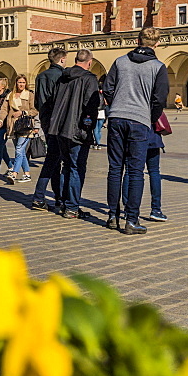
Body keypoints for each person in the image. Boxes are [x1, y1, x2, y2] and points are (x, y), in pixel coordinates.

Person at [103, 26, 169, 235]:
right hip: (139, 121)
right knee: (135, 172)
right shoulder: (158, 67)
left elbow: (107, 88)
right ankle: (131, 220)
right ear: (157, 43)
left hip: (116, 118)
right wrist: (148, 117)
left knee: (115, 169)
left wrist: (117, 105)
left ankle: (113, 216)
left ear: (138, 40)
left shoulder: (120, 61)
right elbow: (159, 99)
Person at [45, 49, 101, 217]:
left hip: (60, 128)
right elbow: (91, 106)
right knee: (77, 167)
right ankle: (72, 207)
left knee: (66, 166)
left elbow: (54, 99)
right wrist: (88, 127)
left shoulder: (63, 76)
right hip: (77, 130)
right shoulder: (89, 78)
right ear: (89, 62)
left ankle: (62, 202)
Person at [31, 48, 68, 206]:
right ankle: (39, 195)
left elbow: (37, 102)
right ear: (61, 60)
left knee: (55, 157)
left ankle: (58, 196)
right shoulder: (62, 76)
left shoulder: (40, 76)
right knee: (53, 157)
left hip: (45, 119)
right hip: (58, 121)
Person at [0, 75, 38, 183]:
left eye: (23, 82)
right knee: (20, 152)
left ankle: (14, 173)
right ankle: (27, 174)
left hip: (25, 126)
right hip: (13, 126)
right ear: (16, 83)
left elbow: (35, 110)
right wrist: (0, 120)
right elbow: (4, 109)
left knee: (19, 150)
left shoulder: (29, 95)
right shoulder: (10, 95)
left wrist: (23, 112)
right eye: (19, 82)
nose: (21, 84)